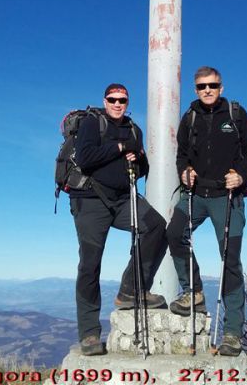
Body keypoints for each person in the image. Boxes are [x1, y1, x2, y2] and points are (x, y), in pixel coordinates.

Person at [167, 66, 247, 356]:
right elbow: (181, 154)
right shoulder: (190, 117)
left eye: (212, 85)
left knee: (230, 261)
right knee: (173, 233)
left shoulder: (236, 115)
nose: (207, 90)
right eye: (201, 86)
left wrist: (242, 176)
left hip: (228, 196)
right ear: (195, 90)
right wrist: (184, 171)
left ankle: (232, 333)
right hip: (196, 194)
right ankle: (193, 291)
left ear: (221, 87)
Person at [71, 83, 167, 356]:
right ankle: (89, 334)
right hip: (90, 199)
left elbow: (143, 168)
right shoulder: (93, 122)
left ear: (127, 102)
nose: (117, 104)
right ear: (105, 100)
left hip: (124, 198)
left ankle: (131, 290)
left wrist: (138, 158)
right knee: (90, 263)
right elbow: (85, 158)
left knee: (157, 227)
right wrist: (120, 147)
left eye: (122, 100)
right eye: (112, 99)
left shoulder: (134, 128)